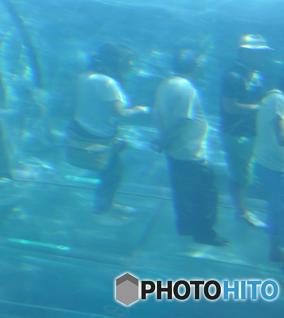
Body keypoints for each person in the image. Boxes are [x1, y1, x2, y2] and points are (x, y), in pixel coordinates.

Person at [153, 50, 228, 246]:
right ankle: (205, 234)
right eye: (200, 65)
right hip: (190, 152)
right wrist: (165, 141)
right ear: (195, 67)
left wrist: (163, 139)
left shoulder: (166, 83)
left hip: (176, 152)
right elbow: (180, 122)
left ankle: (186, 228)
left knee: (184, 193)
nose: (202, 69)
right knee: (205, 195)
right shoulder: (187, 89)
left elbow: (157, 113)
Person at [70, 43, 149, 218]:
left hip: (82, 130)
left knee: (111, 171)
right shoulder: (107, 83)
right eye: (129, 60)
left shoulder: (85, 76)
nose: (132, 64)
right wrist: (141, 110)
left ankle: (105, 204)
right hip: (101, 136)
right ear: (116, 61)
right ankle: (103, 210)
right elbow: (120, 113)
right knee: (114, 173)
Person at [221, 34, 273, 228]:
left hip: (252, 132)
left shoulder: (255, 74)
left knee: (247, 173)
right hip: (237, 134)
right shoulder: (233, 76)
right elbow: (229, 106)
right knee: (241, 176)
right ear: (244, 53)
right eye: (259, 53)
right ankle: (241, 211)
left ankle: (242, 209)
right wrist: (259, 108)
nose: (264, 57)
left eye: (264, 53)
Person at [255, 62, 284, 266]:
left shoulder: (281, 100)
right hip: (273, 168)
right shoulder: (277, 99)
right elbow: (281, 138)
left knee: (278, 211)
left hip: (276, 166)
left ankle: (275, 252)